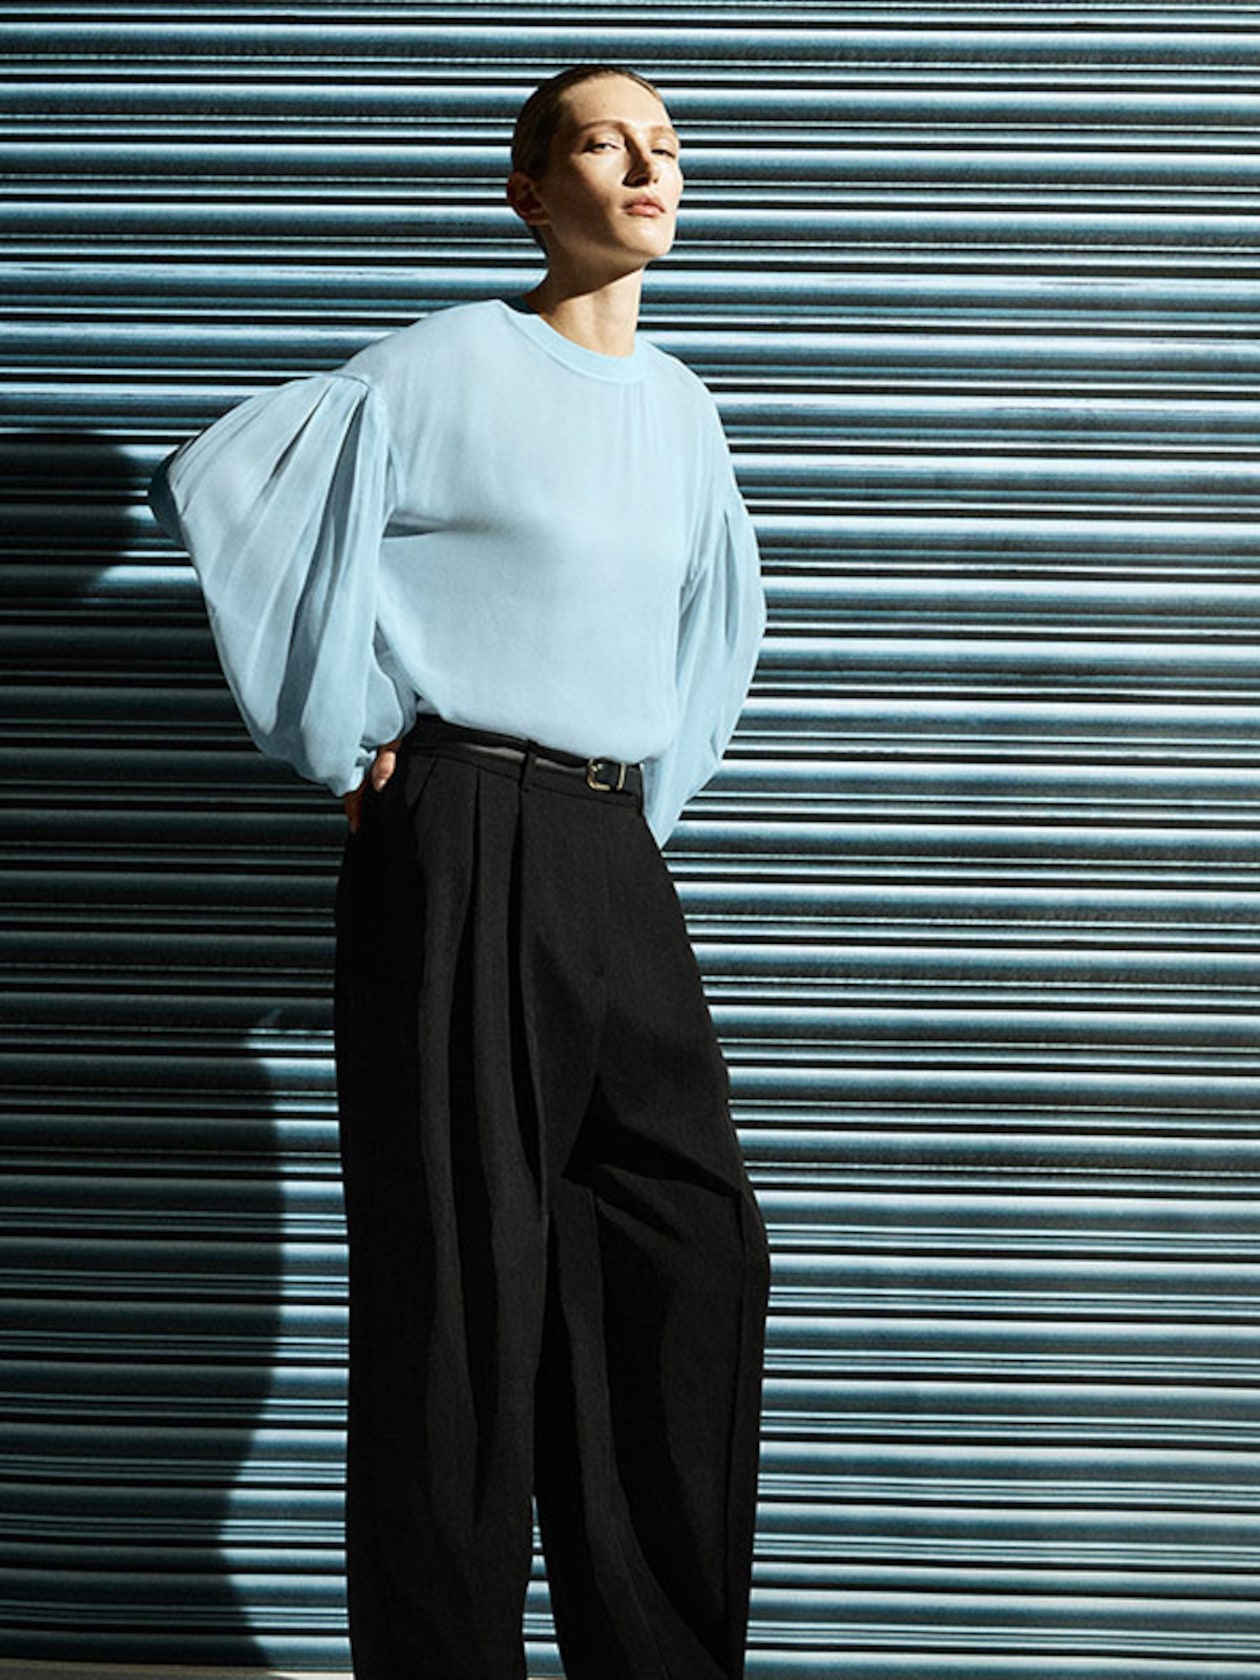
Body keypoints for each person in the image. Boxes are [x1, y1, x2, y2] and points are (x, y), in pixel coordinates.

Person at [150, 64, 769, 1680]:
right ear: (527, 189)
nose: (646, 168)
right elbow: (228, 484)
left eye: (666, 148)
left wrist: (633, 807)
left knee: (685, 1258)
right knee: (463, 1303)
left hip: (609, 855)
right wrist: (355, 734)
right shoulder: (446, 364)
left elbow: (718, 632)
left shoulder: (685, 406)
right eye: (600, 142)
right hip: (465, 830)